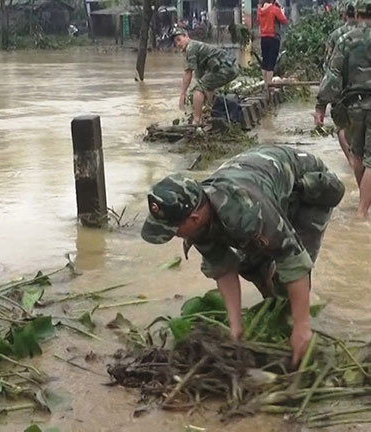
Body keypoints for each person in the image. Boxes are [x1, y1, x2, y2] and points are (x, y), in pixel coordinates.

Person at [141, 146, 344, 367]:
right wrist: (235, 328)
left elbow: (294, 261)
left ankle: (296, 324)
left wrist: (301, 326)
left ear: (194, 218)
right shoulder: (198, 221)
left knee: (286, 276)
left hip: (309, 188)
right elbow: (223, 268)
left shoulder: (247, 211)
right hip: (261, 180)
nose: (174, 236)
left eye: (174, 230)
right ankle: (277, 304)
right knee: (249, 265)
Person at [315, 0, 371, 219]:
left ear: (356, 13)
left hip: (354, 105)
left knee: (357, 155)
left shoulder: (345, 39)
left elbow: (333, 76)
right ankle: (363, 211)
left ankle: (362, 206)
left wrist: (321, 105)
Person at [173, 28, 239, 125]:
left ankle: (197, 120)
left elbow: (188, 73)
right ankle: (209, 111)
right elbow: (201, 78)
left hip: (226, 68)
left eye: (179, 40)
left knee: (198, 89)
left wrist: (183, 94)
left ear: (186, 37)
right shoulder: (196, 49)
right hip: (230, 68)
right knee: (204, 86)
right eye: (176, 43)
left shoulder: (191, 48)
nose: (178, 44)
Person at [322, 0, 357, 167]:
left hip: (341, 88)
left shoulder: (336, 35)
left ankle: (350, 159)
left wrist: (322, 101)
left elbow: (328, 65)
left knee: (342, 126)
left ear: (344, 15)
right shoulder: (366, 33)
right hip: (362, 88)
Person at [257, 0, 288, 89]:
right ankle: (269, 84)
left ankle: (266, 83)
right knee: (271, 61)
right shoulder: (274, 9)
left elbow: (258, 20)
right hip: (273, 37)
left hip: (263, 37)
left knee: (265, 60)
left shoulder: (260, 10)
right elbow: (284, 20)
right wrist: (281, 10)